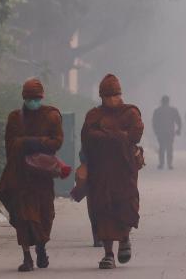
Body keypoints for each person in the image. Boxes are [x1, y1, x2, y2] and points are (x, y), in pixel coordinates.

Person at [0, 78, 64, 272]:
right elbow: (9, 145)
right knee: (23, 217)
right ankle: (27, 257)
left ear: (41, 97)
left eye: (36, 98)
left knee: (44, 216)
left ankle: (41, 248)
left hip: (42, 177)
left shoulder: (51, 116)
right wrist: (21, 146)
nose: (32, 101)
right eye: (29, 98)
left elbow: (57, 142)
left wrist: (33, 142)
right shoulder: (15, 118)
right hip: (21, 176)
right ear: (23, 98)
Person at [81, 74, 144, 269]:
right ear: (101, 97)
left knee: (125, 205)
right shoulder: (94, 115)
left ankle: (124, 238)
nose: (112, 100)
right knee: (103, 209)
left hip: (124, 171)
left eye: (115, 95)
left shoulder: (130, 113)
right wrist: (116, 136)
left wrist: (107, 135)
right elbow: (87, 138)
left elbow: (135, 134)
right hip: (101, 172)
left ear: (120, 95)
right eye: (107, 96)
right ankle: (108, 254)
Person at [152, 95, 182, 169]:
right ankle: (169, 164)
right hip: (170, 132)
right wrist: (179, 129)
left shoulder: (157, 110)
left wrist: (156, 131)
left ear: (162, 101)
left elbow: (154, 122)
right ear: (168, 101)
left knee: (161, 147)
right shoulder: (173, 110)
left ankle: (161, 164)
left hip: (161, 132)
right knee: (170, 148)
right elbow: (178, 121)